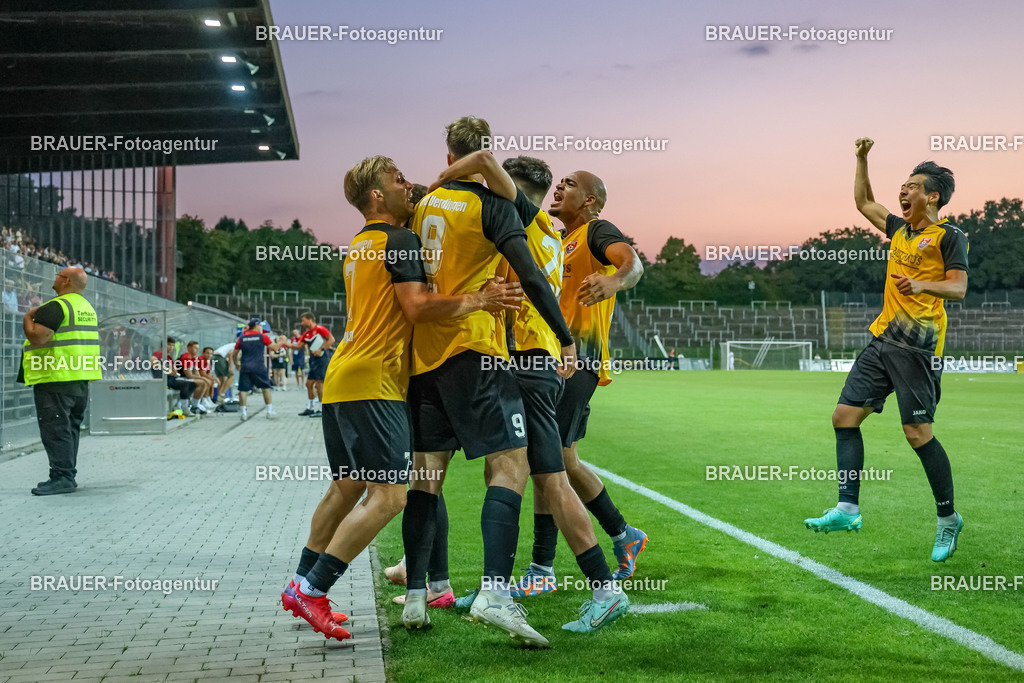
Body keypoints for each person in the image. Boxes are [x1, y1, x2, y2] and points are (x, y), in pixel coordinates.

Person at [282, 155, 522, 641]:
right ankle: (312, 589)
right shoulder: (398, 240)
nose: (406, 184)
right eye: (396, 180)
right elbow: (416, 307)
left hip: (343, 377)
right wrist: (480, 299)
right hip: (376, 381)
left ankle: (298, 584)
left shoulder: (361, 243)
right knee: (390, 496)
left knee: (345, 488)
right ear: (376, 195)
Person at [429, 152, 629, 631]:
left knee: (543, 475)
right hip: (531, 360)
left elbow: (485, 162)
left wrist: (443, 179)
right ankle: (506, 584)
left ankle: (599, 588)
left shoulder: (526, 216)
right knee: (529, 472)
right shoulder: (549, 232)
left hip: (528, 358)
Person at [399, 116, 576, 648]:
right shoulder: (491, 205)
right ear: (487, 154)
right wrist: (565, 337)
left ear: (447, 154)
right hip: (475, 349)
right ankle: (495, 594)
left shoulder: (423, 205)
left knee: (426, 474)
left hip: (424, 356)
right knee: (511, 463)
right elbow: (531, 275)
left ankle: (418, 595)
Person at [804, 138, 968, 563]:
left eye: (912, 187)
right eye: (902, 186)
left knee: (917, 434)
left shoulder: (949, 236)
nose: (903, 191)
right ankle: (847, 510)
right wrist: (861, 159)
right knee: (844, 417)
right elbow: (864, 202)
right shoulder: (899, 229)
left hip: (918, 349)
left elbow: (958, 287)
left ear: (933, 197)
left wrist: (922, 284)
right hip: (882, 340)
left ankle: (948, 519)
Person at [20, 267, 101, 495]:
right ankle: (66, 474)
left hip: (55, 377)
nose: (54, 277)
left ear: (65, 281)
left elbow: (38, 338)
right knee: (69, 428)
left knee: (56, 429)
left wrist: (26, 318)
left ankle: (62, 477)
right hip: (79, 379)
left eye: (58, 275)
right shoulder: (87, 308)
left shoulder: (57, 306)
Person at [229, 317, 281, 421]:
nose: (261, 327)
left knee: (243, 390)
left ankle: (243, 413)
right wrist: (282, 341)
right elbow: (275, 348)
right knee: (265, 388)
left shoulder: (242, 338)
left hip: (245, 366)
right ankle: (269, 412)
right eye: (260, 325)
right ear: (256, 326)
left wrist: (237, 364)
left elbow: (234, 354)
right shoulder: (263, 337)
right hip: (259, 366)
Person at [286, 313, 335, 417]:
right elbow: (297, 346)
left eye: (303, 320)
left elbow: (331, 340)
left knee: (319, 384)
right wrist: (285, 344)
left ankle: (321, 410)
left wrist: (321, 349)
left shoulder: (320, 329)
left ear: (310, 320)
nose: (302, 323)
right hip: (313, 361)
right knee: (309, 384)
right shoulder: (306, 334)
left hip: (322, 359)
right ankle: (310, 408)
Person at [153, 337, 197, 416]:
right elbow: (153, 362)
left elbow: (175, 371)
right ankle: (184, 408)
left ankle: (180, 404)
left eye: (173, 345)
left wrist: (171, 371)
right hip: (163, 379)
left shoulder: (169, 357)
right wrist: (166, 369)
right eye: (169, 345)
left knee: (193, 384)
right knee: (184, 384)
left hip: (171, 378)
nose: (171, 347)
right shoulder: (159, 353)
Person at [179, 340, 214, 413]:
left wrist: (202, 378)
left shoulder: (193, 359)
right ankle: (195, 404)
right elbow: (189, 375)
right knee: (203, 382)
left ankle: (197, 404)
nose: (197, 350)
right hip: (181, 378)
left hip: (187, 378)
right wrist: (203, 378)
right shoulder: (186, 358)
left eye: (198, 348)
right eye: (195, 348)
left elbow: (196, 372)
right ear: (189, 348)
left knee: (204, 381)